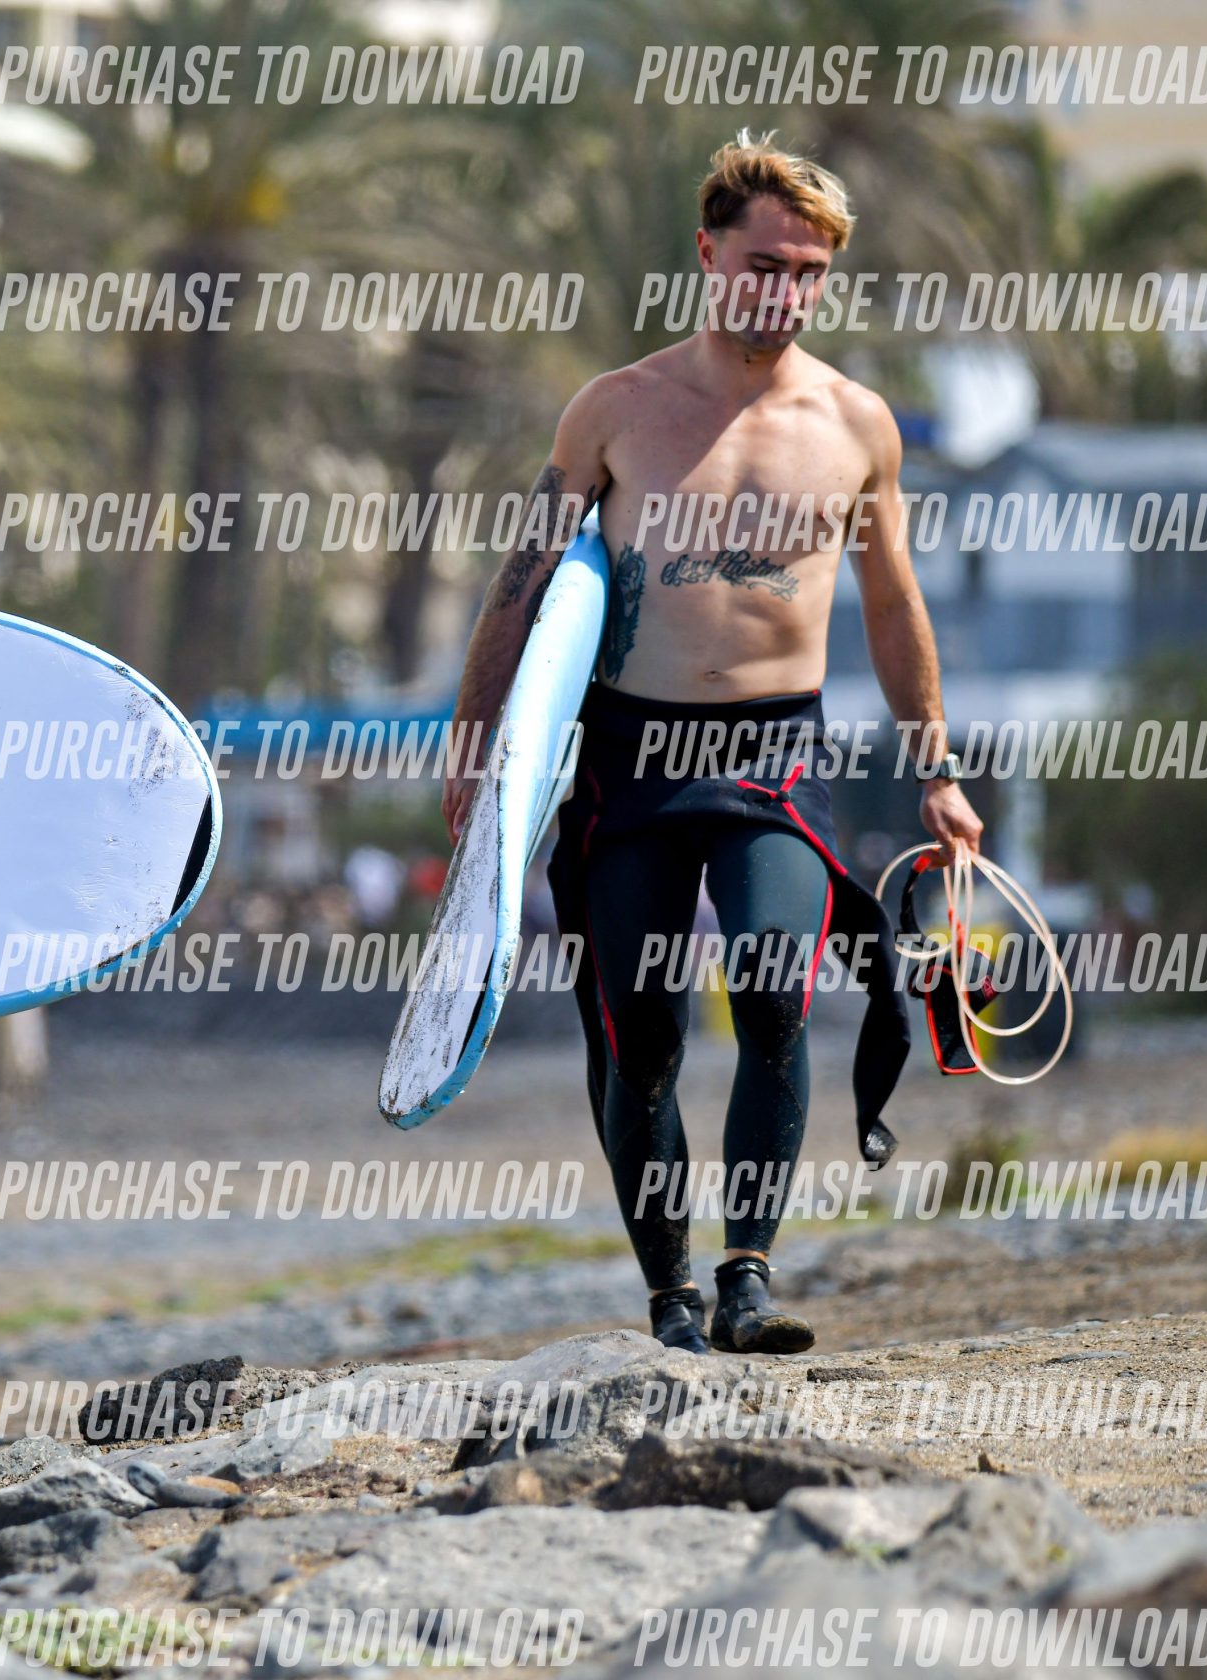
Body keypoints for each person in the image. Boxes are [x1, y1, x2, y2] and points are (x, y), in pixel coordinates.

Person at [441, 133, 982, 1356]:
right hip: (627, 755)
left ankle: (746, 1277)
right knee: (638, 1035)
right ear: (707, 254)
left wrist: (937, 771)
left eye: (808, 273)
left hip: (773, 754)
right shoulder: (614, 410)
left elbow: (892, 605)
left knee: (776, 996)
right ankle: (671, 1297)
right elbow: (521, 586)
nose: (784, 293)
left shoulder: (855, 424)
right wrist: (476, 751)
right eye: (764, 265)